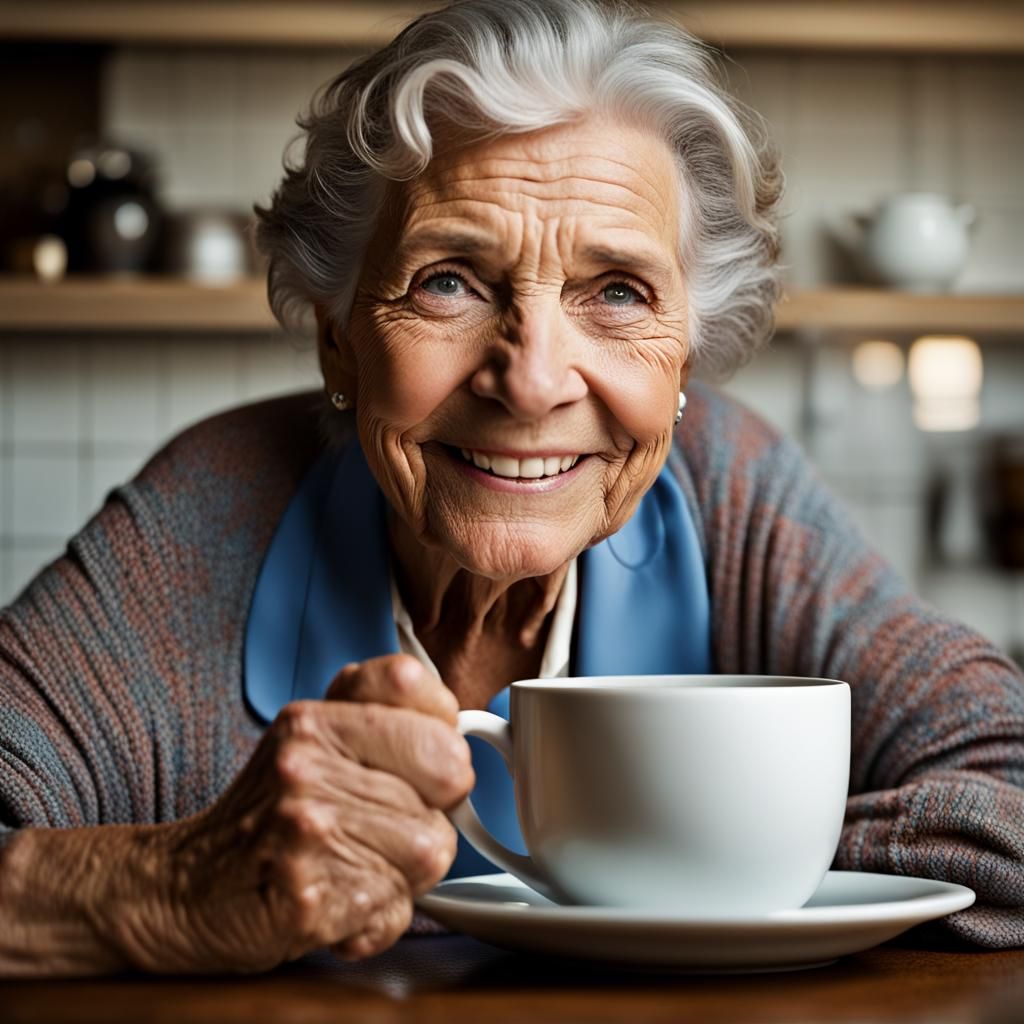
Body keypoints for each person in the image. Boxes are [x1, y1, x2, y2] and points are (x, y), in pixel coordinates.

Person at [1, 0, 1022, 977]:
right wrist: (175, 887)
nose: (531, 381)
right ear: (339, 341)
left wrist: (720, 857)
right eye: (448, 280)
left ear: (682, 367)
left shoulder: (735, 489)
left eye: (617, 292)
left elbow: (1008, 781)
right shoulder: (202, 515)